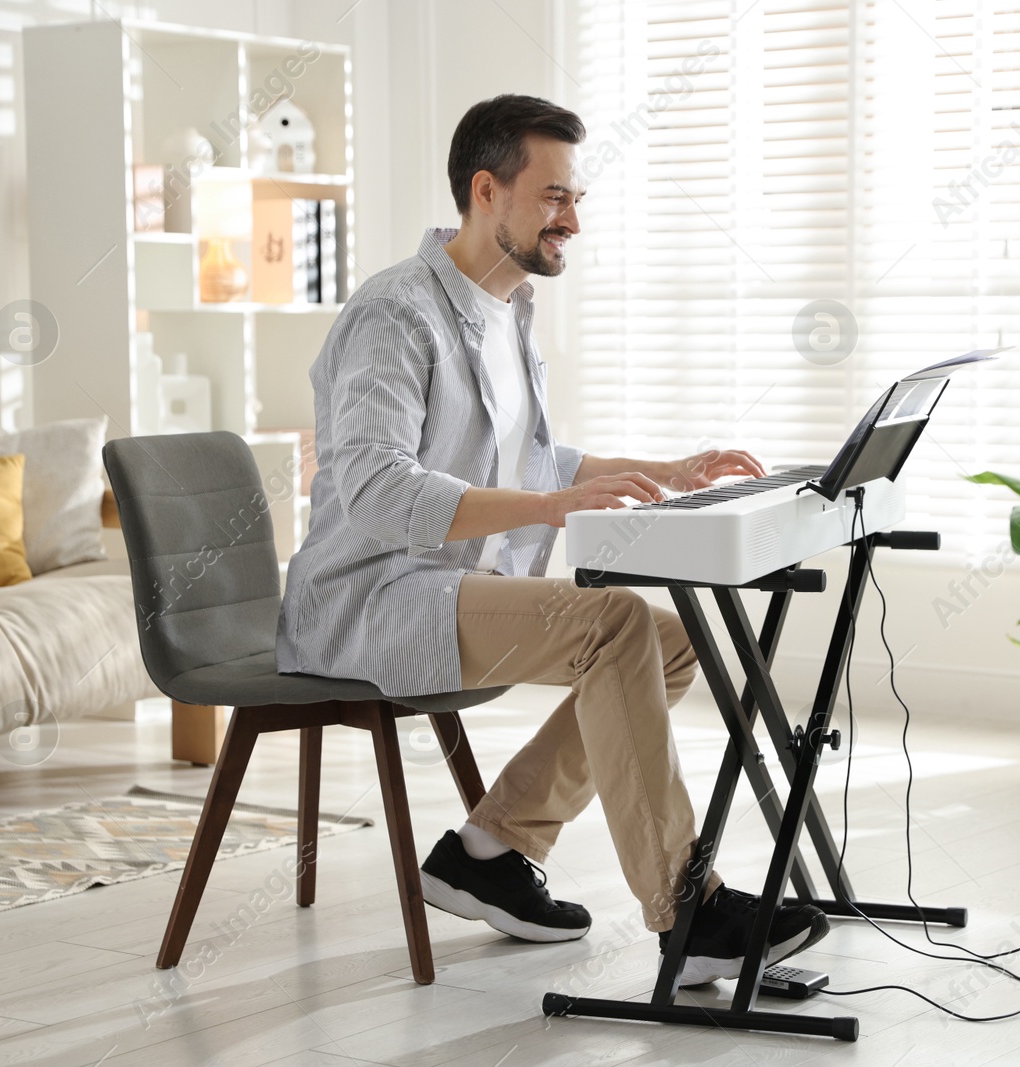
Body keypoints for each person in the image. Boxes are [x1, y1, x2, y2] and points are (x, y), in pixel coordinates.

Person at [277, 93, 828, 983]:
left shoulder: (509, 310)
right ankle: (687, 913)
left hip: (453, 586)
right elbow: (377, 488)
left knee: (672, 640)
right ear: (486, 190)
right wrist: (551, 510)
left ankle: (491, 849)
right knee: (613, 620)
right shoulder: (396, 315)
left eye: (576, 198)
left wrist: (670, 469)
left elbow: (536, 456)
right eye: (554, 196)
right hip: (372, 596)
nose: (572, 218)